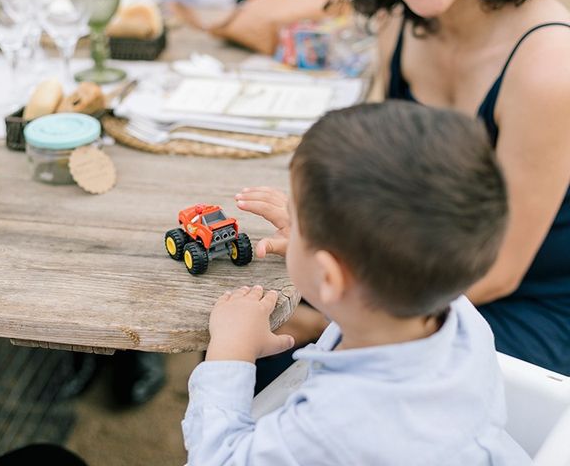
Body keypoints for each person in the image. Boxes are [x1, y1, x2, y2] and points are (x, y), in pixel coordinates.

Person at [239, 0, 570, 376]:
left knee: (294, 364)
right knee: (246, 312)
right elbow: (385, 182)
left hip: (524, 302)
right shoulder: (397, 27)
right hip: (412, 267)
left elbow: (500, 273)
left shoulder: (551, 67)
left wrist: (330, 323)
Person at [182, 101, 531, 465]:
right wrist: (323, 247)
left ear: (331, 275)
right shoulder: (459, 317)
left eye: (298, 222)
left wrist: (230, 351)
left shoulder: (333, 424)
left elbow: (216, 460)